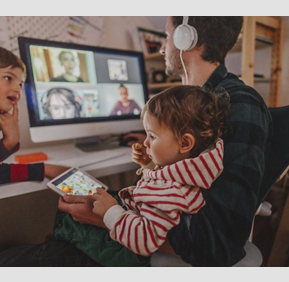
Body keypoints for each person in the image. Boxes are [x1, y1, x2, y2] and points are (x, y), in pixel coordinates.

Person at [0, 16, 272, 267]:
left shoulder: (237, 104)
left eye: (166, 35)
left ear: (187, 37)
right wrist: (154, 150)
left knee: (3, 263)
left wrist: (106, 217)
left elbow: (217, 246)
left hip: (147, 242)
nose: (161, 47)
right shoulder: (199, 107)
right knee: (70, 211)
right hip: (143, 220)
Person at [92, 85, 227, 256]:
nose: (146, 142)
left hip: (133, 250)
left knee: (67, 226)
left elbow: (144, 240)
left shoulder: (172, 192)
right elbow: (166, 178)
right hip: (129, 223)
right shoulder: (188, 172)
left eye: (152, 136)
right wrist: (148, 165)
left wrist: (110, 211)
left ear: (185, 143)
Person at [0, 44, 69, 186]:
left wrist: (9, 142)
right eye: (8, 78)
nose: (17, 89)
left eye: (20, 84)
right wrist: (45, 169)